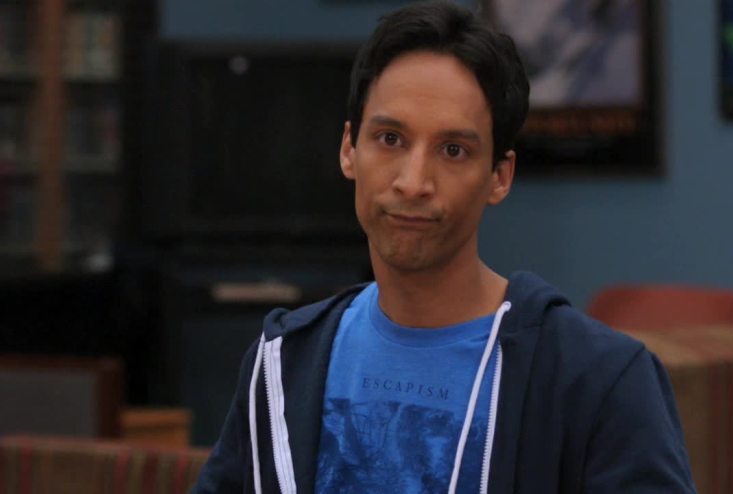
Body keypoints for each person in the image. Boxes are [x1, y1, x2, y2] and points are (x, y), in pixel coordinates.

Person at [192, 1, 696, 493]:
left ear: (500, 176)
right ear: (349, 149)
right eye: (390, 139)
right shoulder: (282, 364)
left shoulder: (597, 380)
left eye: (453, 150)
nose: (413, 182)